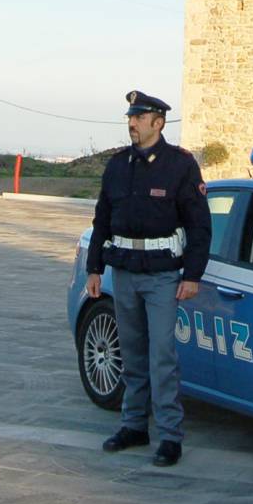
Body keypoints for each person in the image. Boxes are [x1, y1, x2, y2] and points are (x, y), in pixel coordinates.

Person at [85, 90, 211, 467]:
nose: (131, 123)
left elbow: (199, 225)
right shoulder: (118, 165)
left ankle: (170, 436)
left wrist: (193, 275)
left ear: (158, 122)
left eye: (138, 118)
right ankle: (134, 426)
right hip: (124, 272)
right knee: (133, 353)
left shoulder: (180, 165)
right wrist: (95, 268)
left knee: (162, 357)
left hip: (161, 276)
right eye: (130, 117)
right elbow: (102, 219)